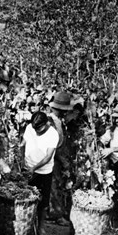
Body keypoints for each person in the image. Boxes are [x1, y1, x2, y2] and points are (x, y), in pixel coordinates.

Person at [22, 111, 59, 235]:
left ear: (47, 123)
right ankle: (27, 226)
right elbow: (24, 143)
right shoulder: (29, 128)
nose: (37, 131)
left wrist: (34, 168)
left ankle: (41, 227)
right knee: (27, 198)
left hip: (44, 171)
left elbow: (48, 156)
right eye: (35, 128)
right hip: (28, 168)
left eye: (40, 128)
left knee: (43, 201)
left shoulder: (53, 134)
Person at [46, 90, 72, 225]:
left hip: (57, 158)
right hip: (52, 158)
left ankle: (54, 212)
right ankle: (56, 214)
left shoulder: (59, 122)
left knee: (56, 185)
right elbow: (51, 145)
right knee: (54, 185)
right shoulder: (50, 122)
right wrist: (63, 161)